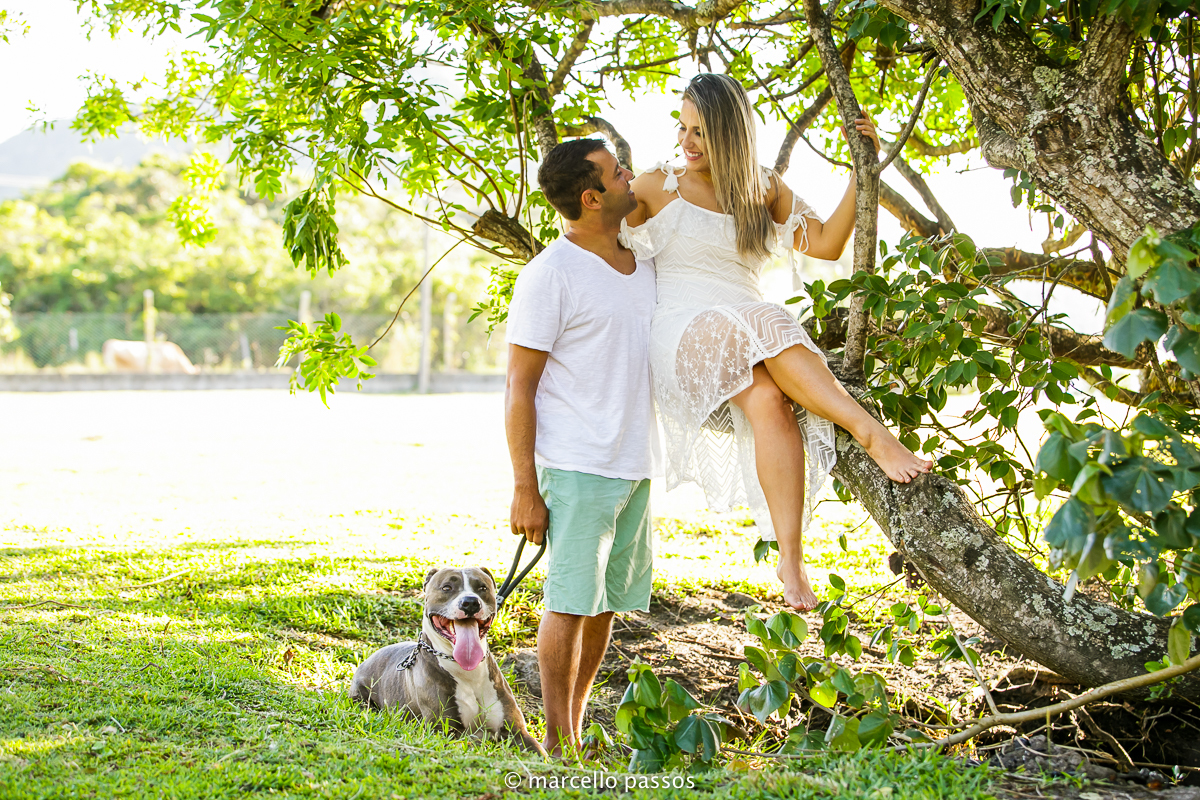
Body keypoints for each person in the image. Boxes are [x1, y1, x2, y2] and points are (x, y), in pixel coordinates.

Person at [622, 73, 932, 612]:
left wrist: (865, 172)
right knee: (765, 315)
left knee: (770, 401)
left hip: (749, 330)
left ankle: (790, 559)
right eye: (683, 127)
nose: (686, 142)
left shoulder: (761, 188)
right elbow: (599, 238)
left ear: (732, 133)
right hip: (682, 333)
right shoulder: (656, 184)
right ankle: (869, 432)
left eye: (700, 131)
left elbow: (831, 243)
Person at [504, 138, 658, 756]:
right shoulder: (548, 275)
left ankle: (574, 718)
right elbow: (519, 387)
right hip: (575, 467)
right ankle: (557, 737)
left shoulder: (643, 261)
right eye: (618, 171)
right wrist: (524, 487)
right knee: (569, 603)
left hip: (635, 464)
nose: (631, 173)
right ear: (592, 198)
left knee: (605, 605)